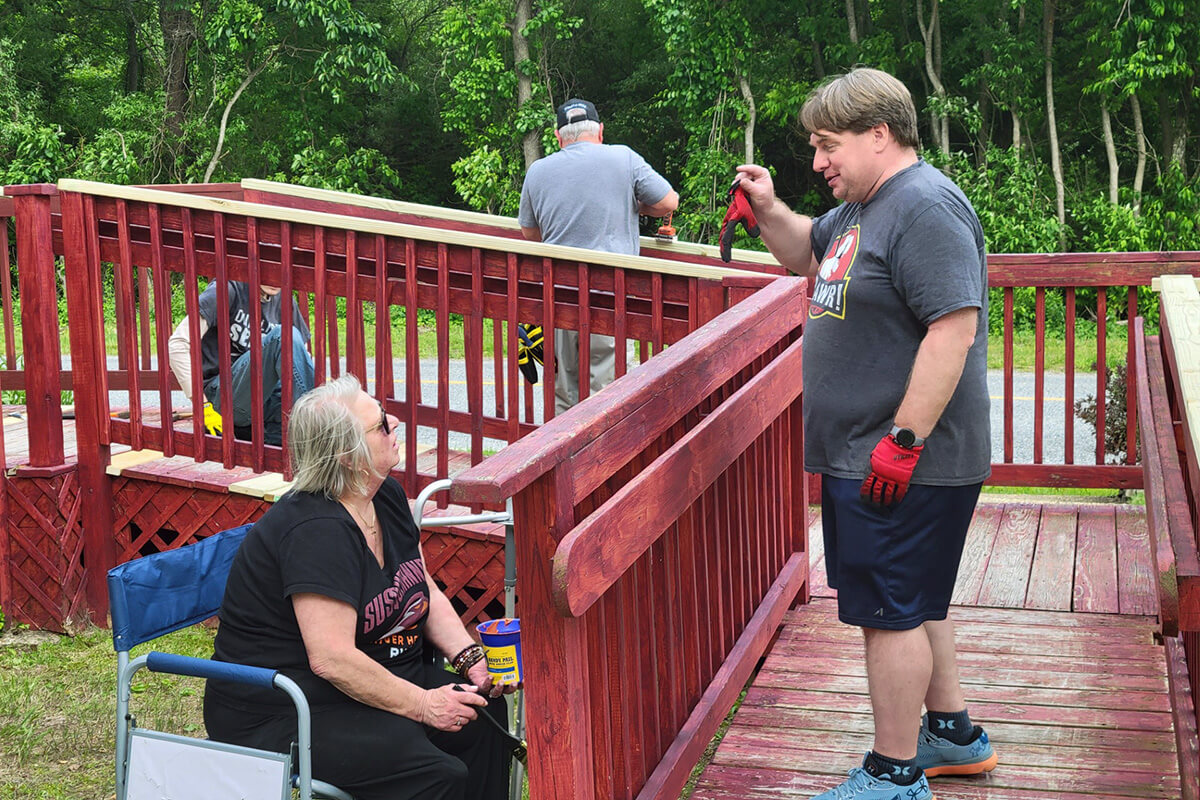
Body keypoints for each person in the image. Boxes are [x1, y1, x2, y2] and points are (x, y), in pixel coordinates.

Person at [734, 68, 997, 800]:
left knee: (888, 613)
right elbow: (806, 257)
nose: (819, 162)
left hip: (905, 458)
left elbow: (954, 328)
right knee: (914, 600)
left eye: (829, 146)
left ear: (880, 134)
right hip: (871, 452)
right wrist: (767, 208)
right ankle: (950, 734)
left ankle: (893, 775)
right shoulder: (861, 208)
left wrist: (902, 442)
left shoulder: (924, 208)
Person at [203, 374, 515, 800]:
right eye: (382, 424)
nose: (396, 427)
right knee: (435, 772)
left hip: (371, 680)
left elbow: (421, 586)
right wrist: (425, 705)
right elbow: (332, 660)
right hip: (287, 708)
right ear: (347, 455)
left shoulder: (383, 494)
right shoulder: (316, 531)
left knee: (484, 711)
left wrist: (470, 659)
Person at [518, 97, 679, 413]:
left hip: (559, 297)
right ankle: (605, 461)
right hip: (612, 297)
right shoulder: (624, 159)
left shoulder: (538, 171)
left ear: (559, 136)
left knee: (563, 392)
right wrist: (635, 206)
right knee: (608, 394)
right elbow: (669, 201)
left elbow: (530, 234)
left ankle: (562, 458)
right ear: (601, 131)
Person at [167, 280, 315, 444]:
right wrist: (202, 405)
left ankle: (299, 433)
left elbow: (301, 358)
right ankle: (316, 424)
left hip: (262, 402)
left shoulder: (285, 300)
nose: (275, 280)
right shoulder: (227, 289)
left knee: (335, 399)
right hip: (223, 396)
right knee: (283, 335)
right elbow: (178, 345)